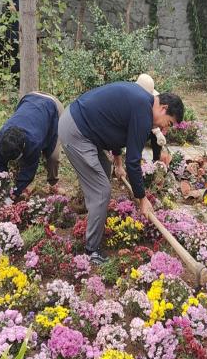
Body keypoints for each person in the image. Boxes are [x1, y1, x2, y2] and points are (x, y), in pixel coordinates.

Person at [58, 82, 184, 265]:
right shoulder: (143, 112)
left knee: (104, 168)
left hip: (76, 123)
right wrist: (142, 198)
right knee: (102, 191)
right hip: (77, 132)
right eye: (169, 123)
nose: (165, 129)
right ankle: (91, 250)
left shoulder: (141, 102)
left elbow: (116, 128)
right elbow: (133, 162)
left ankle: (92, 209)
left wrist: (117, 163)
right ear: (163, 108)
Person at [0, 91, 63, 198]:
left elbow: (28, 171)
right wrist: (2, 184)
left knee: (53, 157)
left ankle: (53, 184)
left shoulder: (33, 141)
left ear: (24, 145)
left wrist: (15, 192)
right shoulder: (2, 136)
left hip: (53, 107)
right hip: (29, 98)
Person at [135, 73, 169, 163]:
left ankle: (156, 161)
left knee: (156, 136)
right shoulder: (135, 101)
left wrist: (158, 132)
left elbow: (154, 119)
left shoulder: (154, 102)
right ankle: (136, 160)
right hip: (135, 129)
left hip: (148, 127)